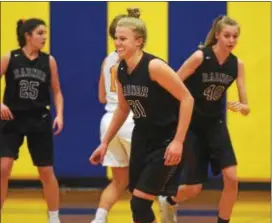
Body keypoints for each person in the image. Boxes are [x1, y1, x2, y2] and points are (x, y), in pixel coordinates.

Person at [90, 8, 194, 223]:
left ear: (138, 41)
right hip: (141, 138)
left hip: (165, 140)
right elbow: (122, 108)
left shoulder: (154, 66)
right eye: (116, 38)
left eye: (123, 39)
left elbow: (187, 99)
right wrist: (105, 143)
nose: (118, 43)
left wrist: (178, 141)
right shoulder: (120, 70)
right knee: (138, 208)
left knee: (140, 202)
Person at [158, 15, 250, 223]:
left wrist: (243, 107)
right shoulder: (200, 57)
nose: (231, 40)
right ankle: (169, 199)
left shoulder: (237, 65)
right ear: (217, 35)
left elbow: (246, 105)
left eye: (235, 36)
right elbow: (173, 83)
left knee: (232, 178)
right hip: (192, 125)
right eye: (227, 35)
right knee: (194, 188)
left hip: (215, 124)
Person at [0, 18, 64, 223]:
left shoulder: (49, 61)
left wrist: (60, 114)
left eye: (45, 33)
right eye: (40, 33)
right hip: (12, 119)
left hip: (39, 119)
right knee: (3, 167)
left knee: (46, 171)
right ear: (28, 35)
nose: (45, 37)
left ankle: (54, 217)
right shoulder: (10, 57)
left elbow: (57, 91)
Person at [91, 9, 137, 223]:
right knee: (145, 180)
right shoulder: (133, 60)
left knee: (119, 181)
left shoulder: (106, 61)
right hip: (129, 119)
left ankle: (99, 219)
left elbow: (101, 96)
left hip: (108, 120)